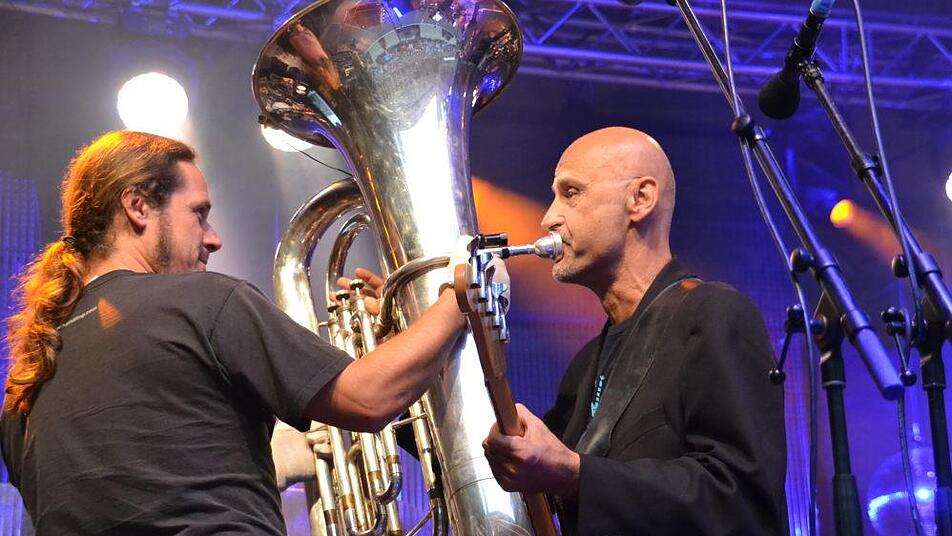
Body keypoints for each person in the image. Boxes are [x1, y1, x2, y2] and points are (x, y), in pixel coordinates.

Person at [0, 130, 465, 535]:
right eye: (198, 213)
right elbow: (368, 399)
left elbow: (142, 486)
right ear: (138, 207)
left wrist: (265, 462)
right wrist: (461, 293)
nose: (213, 238)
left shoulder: (25, 386)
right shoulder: (203, 300)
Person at [481, 127, 789, 535]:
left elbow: (743, 500)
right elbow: (508, 478)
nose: (548, 217)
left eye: (571, 193)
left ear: (640, 199)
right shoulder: (585, 366)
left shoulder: (714, 314)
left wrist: (576, 474)